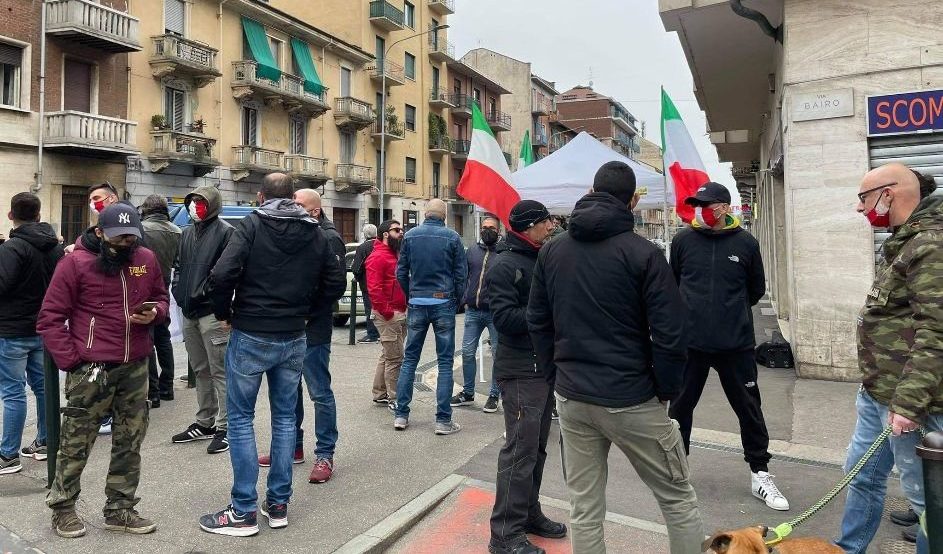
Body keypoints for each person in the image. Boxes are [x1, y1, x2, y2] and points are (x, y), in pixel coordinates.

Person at [528, 161, 704, 554]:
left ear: (591, 191)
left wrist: (556, 376)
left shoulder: (553, 250)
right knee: (677, 500)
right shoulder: (643, 253)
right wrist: (665, 389)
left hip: (574, 397)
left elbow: (537, 320)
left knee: (585, 508)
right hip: (631, 396)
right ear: (632, 201)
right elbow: (672, 333)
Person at [199, 174, 344, 536]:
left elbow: (221, 275)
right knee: (283, 419)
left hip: (251, 331)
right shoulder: (314, 230)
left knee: (241, 418)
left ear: (261, 196)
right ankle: (277, 504)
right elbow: (335, 282)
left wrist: (225, 313)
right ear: (293, 198)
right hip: (294, 334)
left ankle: (243, 510)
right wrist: (309, 311)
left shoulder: (252, 224)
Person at [37, 203, 169, 538]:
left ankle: (120, 509)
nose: (126, 243)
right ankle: (63, 508)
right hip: (91, 369)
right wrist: (72, 360)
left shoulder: (145, 259)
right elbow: (50, 319)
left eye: (131, 237)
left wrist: (155, 314)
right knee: (76, 442)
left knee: (130, 440)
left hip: (136, 366)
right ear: (99, 233)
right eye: (118, 237)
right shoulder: (75, 263)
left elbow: (161, 298)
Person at [835, 163, 942, 554]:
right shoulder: (904, 239)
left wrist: (909, 404)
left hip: (913, 405)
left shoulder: (930, 244)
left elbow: (937, 330)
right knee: (860, 475)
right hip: (879, 393)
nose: (861, 209)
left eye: (864, 198)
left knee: (927, 502)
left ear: (889, 194)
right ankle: (848, 549)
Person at [667, 181, 788, 512]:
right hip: (691, 345)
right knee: (679, 410)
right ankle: (677, 473)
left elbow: (755, 289)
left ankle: (760, 473)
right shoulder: (682, 241)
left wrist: (729, 314)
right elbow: (673, 283)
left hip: (735, 345)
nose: (701, 210)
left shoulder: (746, 243)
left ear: (722, 207)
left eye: (707, 204)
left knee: (748, 409)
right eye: (697, 205)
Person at [487, 201, 565, 554]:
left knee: (535, 449)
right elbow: (504, 320)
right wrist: (546, 315)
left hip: (543, 369)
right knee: (519, 452)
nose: (551, 226)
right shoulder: (504, 264)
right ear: (529, 227)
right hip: (520, 371)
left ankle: (529, 513)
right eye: (546, 222)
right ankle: (504, 534)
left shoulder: (542, 258)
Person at [257, 188, 344, 484]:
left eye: (298, 205)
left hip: (313, 329)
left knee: (319, 391)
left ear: (315, 211)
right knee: (287, 392)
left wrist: (308, 311)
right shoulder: (296, 232)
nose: (291, 208)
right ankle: (291, 447)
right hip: (289, 326)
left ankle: (325, 453)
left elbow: (335, 286)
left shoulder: (328, 238)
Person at [0, 193, 63, 475]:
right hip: (44, 327)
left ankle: (8, 454)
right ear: (39, 215)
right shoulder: (54, 247)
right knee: (44, 387)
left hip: (12, 330)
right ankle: (46, 442)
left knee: (13, 393)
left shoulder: (13, 248)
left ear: (12, 215)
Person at [393, 199, 467, 435]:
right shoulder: (452, 237)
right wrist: (456, 300)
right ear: (444, 215)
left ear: (426, 214)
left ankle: (401, 415)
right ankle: (443, 420)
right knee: (445, 361)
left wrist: (410, 294)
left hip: (417, 301)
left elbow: (401, 271)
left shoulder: (411, 236)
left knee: (410, 359)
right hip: (443, 300)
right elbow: (461, 275)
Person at [170, 186, 233, 455]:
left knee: (220, 370)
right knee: (200, 369)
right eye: (193, 202)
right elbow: (178, 268)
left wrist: (212, 299)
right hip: (190, 312)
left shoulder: (226, 232)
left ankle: (226, 426)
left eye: (200, 202)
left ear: (213, 205)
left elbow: (227, 273)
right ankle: (205, 421)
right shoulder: (185, 233)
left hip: (211, 313)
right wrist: (179, 291)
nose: (195, 207)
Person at [451, 216, 502, 413]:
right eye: (484, 227)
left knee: (498, 355)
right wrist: (464, 298)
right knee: (467, 352)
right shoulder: (472, 251)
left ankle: (494, 395)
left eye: (491, 227)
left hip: (495, 312)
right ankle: (468, 392)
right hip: (473, 310)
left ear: (498, 231)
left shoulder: (504, 252)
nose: (487, 230)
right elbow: (463, 275)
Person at [139, 195, 181, 409]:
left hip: (144, 285)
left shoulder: (141, 229)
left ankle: (153, 392)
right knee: (163, 337)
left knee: (148, 337)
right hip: (164, 284)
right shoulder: (176, 230)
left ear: (146, 209)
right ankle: (167, 387)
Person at [366, 220, 407, 407]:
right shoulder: (378, 256)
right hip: (389, 314)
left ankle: (380, 392)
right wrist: (388, 312)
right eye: (397, 230)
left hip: (398, 311)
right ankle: (395, 398)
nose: (401, 233)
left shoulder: (394, 253)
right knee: (395, 358)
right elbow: (374, 288)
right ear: (385, 234)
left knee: (387, 355)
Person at [352, 223, 380, 343]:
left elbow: (356, 268)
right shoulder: (382, 245)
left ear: (365, 235)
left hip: (368, 284)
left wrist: (358, 278)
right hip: (383, 283)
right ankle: (381, 333)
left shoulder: (363, 248)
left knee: (369, 310)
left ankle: (372, 334)